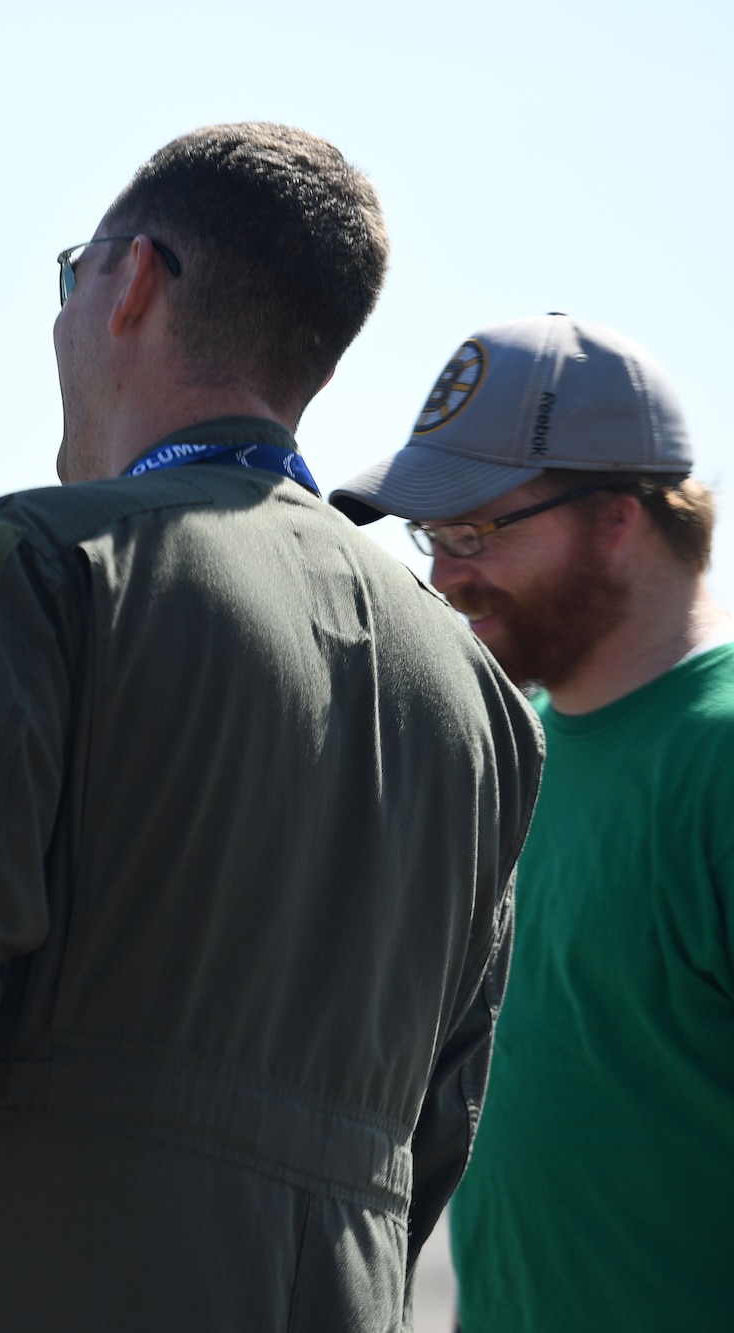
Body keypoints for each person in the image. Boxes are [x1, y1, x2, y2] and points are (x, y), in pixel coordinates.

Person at [0, 123, 546, 1331]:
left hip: (64, 1263)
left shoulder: (45, 561)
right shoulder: (479, 695)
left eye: (72, 276)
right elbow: (444, 1098)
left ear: (129, 281)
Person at [331, 314, 733, 1332]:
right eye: (433, 537)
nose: (443, 576)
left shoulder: (714, 757)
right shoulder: (508, 757)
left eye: (476, 531)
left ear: (614, 515)